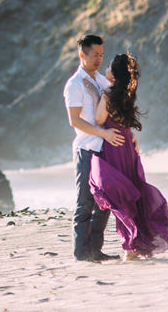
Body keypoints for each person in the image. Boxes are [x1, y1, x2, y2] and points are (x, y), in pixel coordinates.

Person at [90, 53, 168, 259]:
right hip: (127, 147)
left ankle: (130, 248)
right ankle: (134, 247)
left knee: (119, 196)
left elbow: (99, 119)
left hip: (115, 148)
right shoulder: (127, 93)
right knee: (131, 195)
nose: (105, 68)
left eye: (108, 65)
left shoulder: (108, 94)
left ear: (114, 73)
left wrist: (94, 97)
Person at [64, 34, 124, 262]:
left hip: (107, 149)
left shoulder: (103, 81)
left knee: (104, 202)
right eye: (94, 55)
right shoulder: (74, 84)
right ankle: (81, 253)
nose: (99, 59)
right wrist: (103, 133)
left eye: (101, 55)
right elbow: (75, 121)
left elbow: (115, 112)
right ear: (82, 55)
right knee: (85, 202)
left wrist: (129, 135)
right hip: (86, 149)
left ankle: (95, 250)